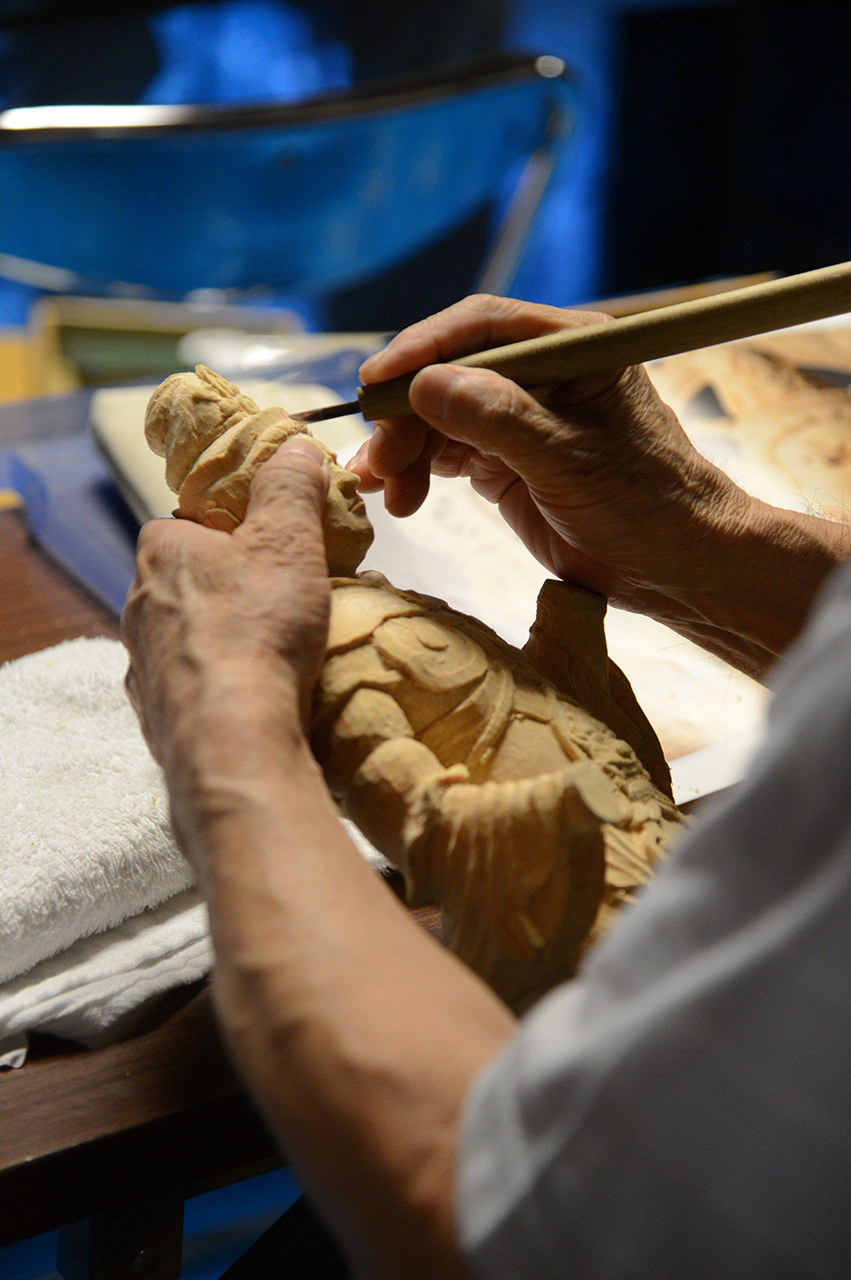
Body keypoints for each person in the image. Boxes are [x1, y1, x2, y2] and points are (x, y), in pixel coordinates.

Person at [121, 294, 851, 1279]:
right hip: (565, 850)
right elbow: (407, 784)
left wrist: (224, 729)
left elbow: (508, 1227)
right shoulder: (347, 634)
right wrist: (697, 537)